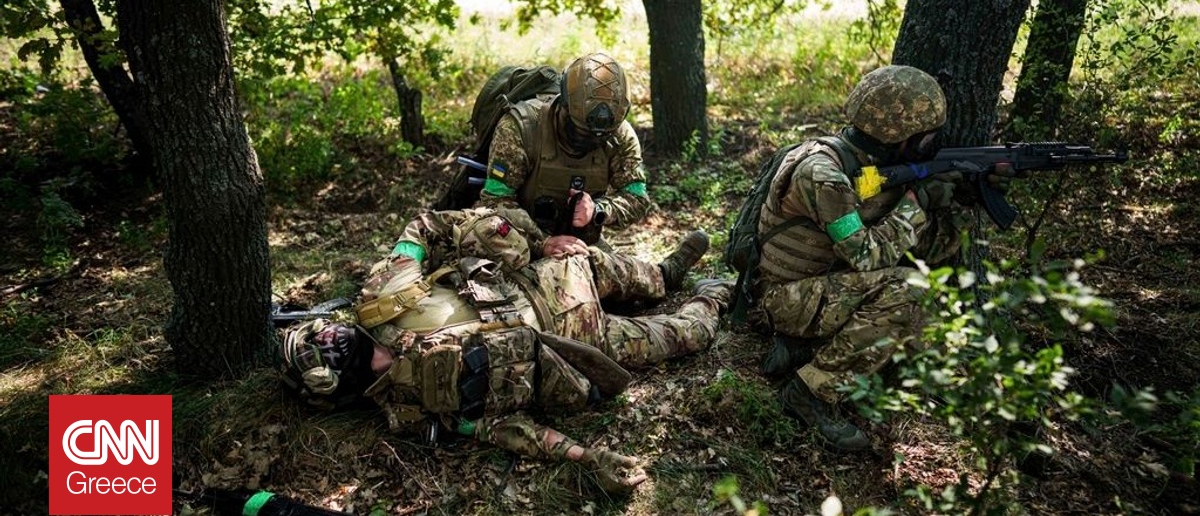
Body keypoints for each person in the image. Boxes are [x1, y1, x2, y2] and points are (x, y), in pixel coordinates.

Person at [278, 208, 727, 493]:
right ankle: (717, 296)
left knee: (636, 277)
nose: (329, 340)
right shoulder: (415, 406)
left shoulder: (382, 298)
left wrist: (536, 245)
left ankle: (667, 274)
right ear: (332, 384)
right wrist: (586, 457)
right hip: (579, 346)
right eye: (320, 353)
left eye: (318, 335)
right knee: (686, 335)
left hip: (549, 278)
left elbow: (426, 225)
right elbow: (504, 430)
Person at [748, 65, 1008, 452]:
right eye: (926, 139)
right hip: (782, 298)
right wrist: (917, 203)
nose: (932, 144)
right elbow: (868, 257)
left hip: (818, 289)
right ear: (903, 140)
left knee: (924, 312)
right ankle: (810, 393)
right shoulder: (824, 175)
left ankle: (802, 349)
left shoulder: (869, 171)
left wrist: (960, 202)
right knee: (911, 289)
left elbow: (930, 251)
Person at [477, 52, 651, 248]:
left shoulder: (620, 136)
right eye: (581, 132)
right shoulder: (522, 127)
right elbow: (495, 201)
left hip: (580, 245)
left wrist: (598, 210)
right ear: (564, 106)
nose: (592, 140)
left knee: (620, 274)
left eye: (603, 135)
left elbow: (637, 197)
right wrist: (543, 243)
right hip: (517, 240)